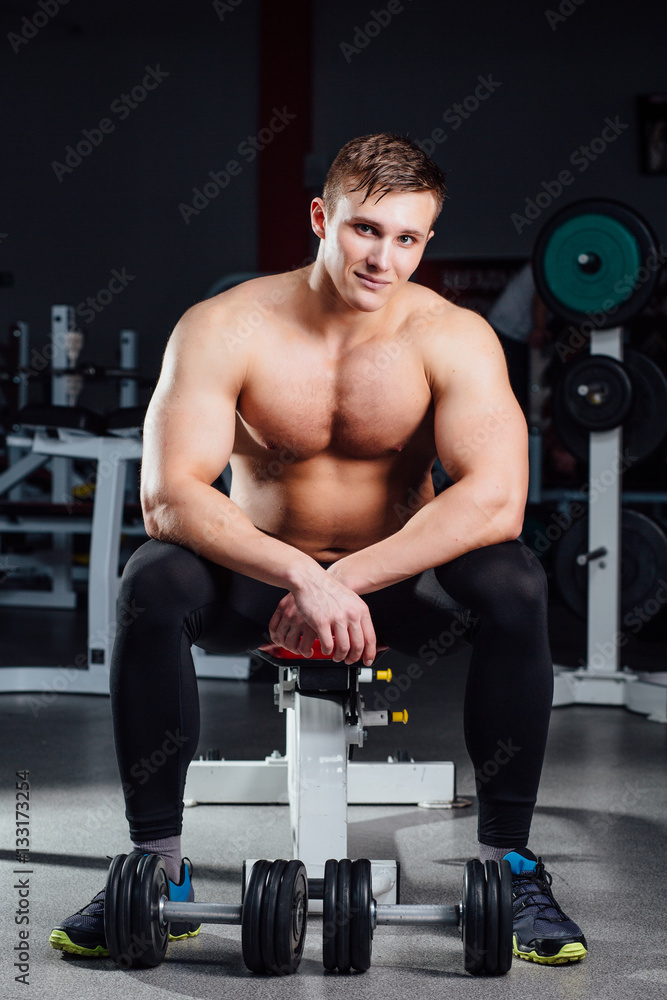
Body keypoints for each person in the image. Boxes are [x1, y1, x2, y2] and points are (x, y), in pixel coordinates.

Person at [50, 133, 587, 966]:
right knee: (152, 580)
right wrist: (303, 574)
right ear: (319, 218)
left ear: (427, 240)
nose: (382, 259)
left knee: (514, 580)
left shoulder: (452, 337)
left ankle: (508, 865)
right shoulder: (223, 327)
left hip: (397, 585)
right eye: (364, 230)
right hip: (259, 582)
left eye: (406, 238)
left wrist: (347, 580)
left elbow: (496, 498)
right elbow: (168, 496)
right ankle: (157, 863)